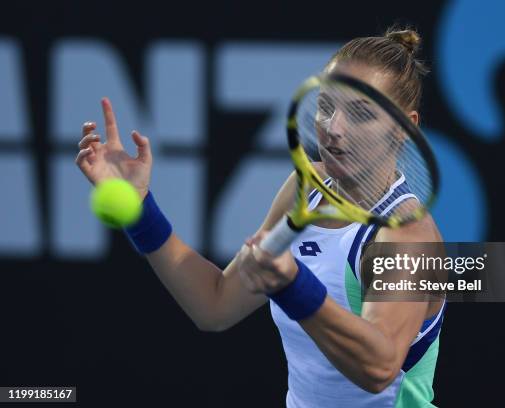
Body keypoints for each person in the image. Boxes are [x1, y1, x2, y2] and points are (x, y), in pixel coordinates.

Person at [75, 26, 445, 408]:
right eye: (326, 106)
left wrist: (294, 287)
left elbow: (379, 367)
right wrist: (140, 210)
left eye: (361, 113)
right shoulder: (306, 187)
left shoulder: (406, 234)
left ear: (405, 128)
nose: (334, 129)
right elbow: (214, 304)